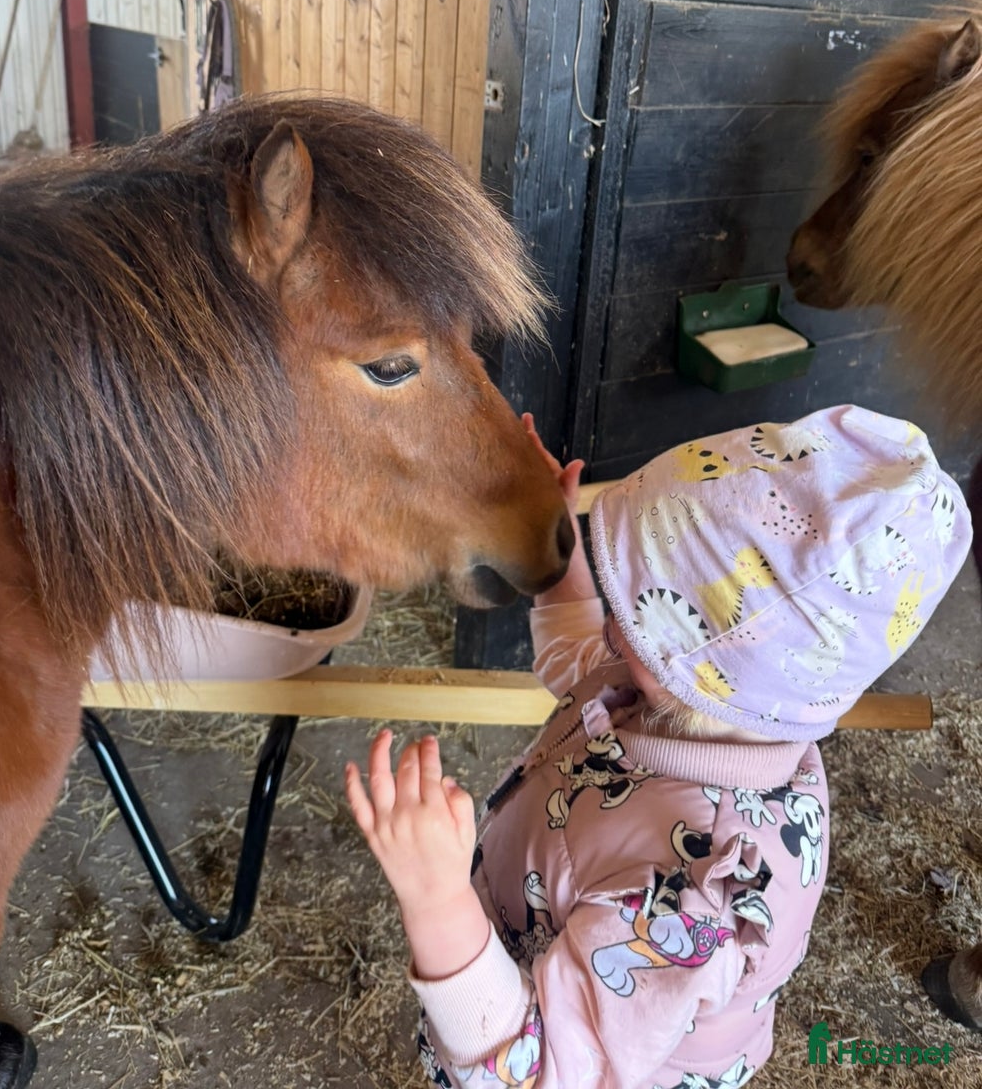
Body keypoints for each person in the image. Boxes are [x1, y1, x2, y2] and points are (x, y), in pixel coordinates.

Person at [345, 404, 972, 1089]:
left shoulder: (693, 898)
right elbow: (586, 664)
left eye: (638, 613)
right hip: (551, 935)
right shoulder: (691, 698)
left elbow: (534, 1072)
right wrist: (559, 555)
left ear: (722, 675)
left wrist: (437, 902)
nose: (612, 629)